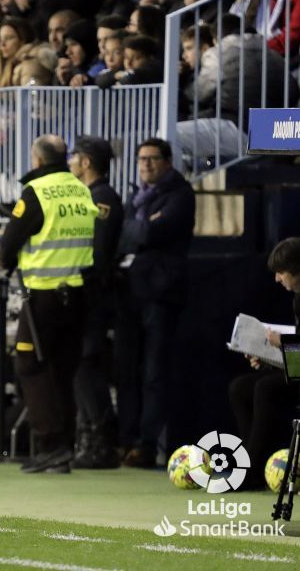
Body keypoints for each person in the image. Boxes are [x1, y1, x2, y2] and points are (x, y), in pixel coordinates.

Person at [0, 134, 98, 474]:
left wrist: (5, 259)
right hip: (78, 293)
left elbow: (10, 242)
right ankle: (64, 448)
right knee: (62, 371)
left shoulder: (37, 191)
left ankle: (50, 445)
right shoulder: (82, 189)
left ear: (37, 160)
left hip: (43, 295)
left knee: (29, 365)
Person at [115, 138, 195, 468]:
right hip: (130, 291)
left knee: (153, 372)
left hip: (162, 292)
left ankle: (148, 445)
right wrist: (138, 228)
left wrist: (136, 228)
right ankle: (126, 439)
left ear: (167, 162)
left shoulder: (181, 193)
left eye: (152, 159)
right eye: (141, 159)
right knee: (126, 371)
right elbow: (128, 233)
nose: (145, 164)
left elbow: (147, 234)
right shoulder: (137, 196)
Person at [68, 137, 123, 469]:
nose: (72, 162)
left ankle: (101, 442)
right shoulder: (89, 196)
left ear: (86, 162)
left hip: (93, 294)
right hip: (86, 293)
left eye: (75, 156)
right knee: (81, 367)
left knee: (88, 366)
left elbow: (98, 253)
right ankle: (89, 437)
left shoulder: (102, 199)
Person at [230, 237, 300, 488]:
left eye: (281, 273)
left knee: (266, 388)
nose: (277, 279)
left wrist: (283, 342)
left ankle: (252, 470)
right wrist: (270, 359)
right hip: (297, 371)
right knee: (240, 387)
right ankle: (250, 464)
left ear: (295, 270)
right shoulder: (297, 299)